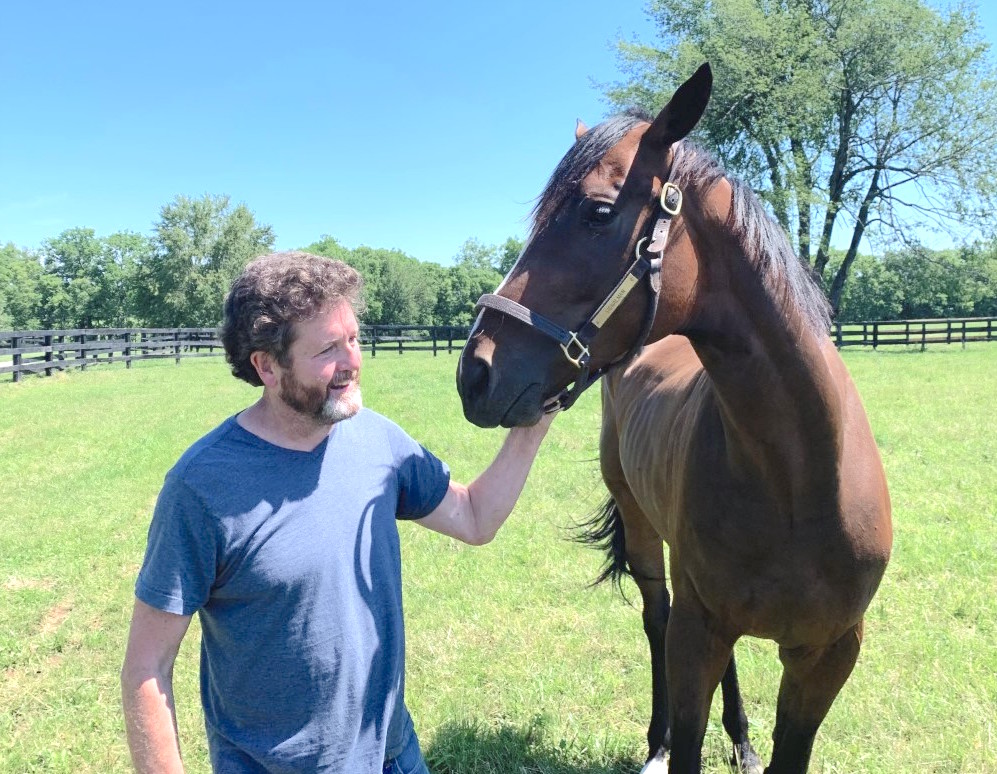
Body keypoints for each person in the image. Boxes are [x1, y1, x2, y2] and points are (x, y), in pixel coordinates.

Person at [120, 251, 554, 773]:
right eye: (328, 348)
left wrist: (533, 425)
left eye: (353, 338)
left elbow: (474, 517)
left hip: (394, 754)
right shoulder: (201, 487)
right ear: (266, 366)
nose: (352, 360)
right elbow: (148, 665)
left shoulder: (376, 440)